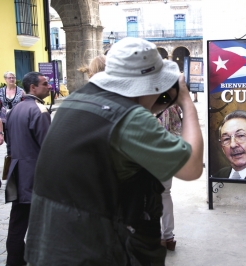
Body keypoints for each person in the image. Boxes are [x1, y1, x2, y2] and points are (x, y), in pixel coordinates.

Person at [25, 37, 204, 265]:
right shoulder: (130, 119)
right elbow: (192, 168)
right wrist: (186, 101)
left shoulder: (76, 101)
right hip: (94, 252)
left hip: (51, 246)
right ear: (150, 84)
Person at [4, 71, 51, 265]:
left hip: (18, 173)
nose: (49, 86)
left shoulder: (15, 109)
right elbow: (49, 147)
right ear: (33, 88)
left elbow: (9, 143)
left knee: (17, 222)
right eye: (45, 84)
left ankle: (15, 260)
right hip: (35, 176)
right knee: (40, 224)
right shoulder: (39, 110)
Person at [157, 104, 182, 251]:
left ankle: (155, 236)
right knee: (165, 194)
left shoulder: (142, 104)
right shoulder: (171, 107)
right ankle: (168, 237)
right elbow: (178, 130)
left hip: (145, 156)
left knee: (145, 196)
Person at [0, 71, 25, 142]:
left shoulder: (21, 91)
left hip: (18, 119)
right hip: (4, 120)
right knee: (8, 140)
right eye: (9, 78)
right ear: (5, 79)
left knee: (18, 139)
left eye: (13, 77)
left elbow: (24, 105)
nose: (11, 79)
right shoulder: (0, 91)